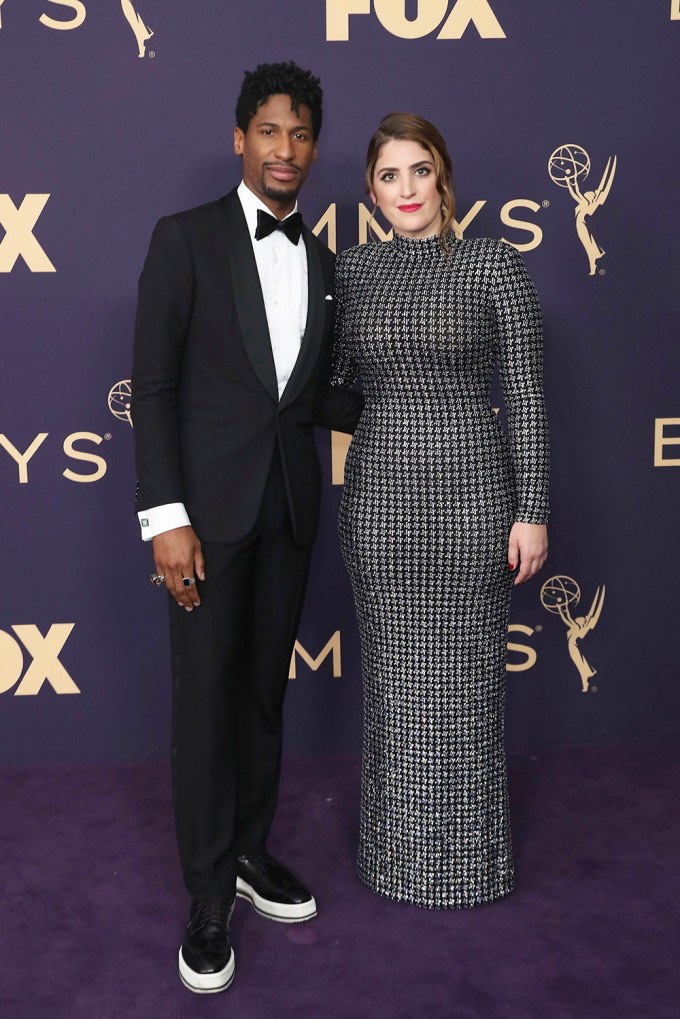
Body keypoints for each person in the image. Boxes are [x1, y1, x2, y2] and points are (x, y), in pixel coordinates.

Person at [131, 62, 363, 993]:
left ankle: (251, 853)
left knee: (264, 695)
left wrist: (431, 395)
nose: (286, 149)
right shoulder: (184, 240)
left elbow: (318, 401)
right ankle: (206, 894)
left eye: (302, 134)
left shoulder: (324, 261)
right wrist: (165, 517)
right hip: (203, 521)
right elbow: (152, 388)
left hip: (289, 514)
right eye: (270, 130)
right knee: (204, 706)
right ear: (240, 139)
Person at [331, 113, 549, 909]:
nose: (406, 190)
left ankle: (470, 862)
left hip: (473, 498)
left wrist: (533, 508)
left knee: (468, 688)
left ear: (444, 176)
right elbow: (325, 383)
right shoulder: (352, 272)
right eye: (389, 176)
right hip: (381, 499)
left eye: (419, 171)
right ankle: (394, 858)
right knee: (392, 685)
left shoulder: (493, 262)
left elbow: (524, 394)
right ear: (371, 190)